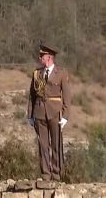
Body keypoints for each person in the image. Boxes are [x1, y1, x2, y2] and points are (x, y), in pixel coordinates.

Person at [27, 44, 72, 181]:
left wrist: (65, 116)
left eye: (42, 56)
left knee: (56, 144)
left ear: (49, 57)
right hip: (40, 112)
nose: (40, 58)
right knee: (43, 145)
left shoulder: (61, 74)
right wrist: (30, 115)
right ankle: (46, 174)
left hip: (55, 112)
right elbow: (32, 95)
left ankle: (56, 174)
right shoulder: (37, 73)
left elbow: (67, 96)